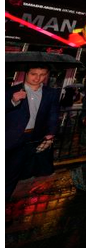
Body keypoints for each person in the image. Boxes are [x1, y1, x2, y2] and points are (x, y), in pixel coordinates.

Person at [6, 65, 60, 200]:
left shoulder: (51, 93)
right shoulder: (11, 90)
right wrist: (13, 101)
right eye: (34, 74)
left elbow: (53, 113)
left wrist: (51, 132)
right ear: (26, 74)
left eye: (42, 74)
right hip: (6, 136)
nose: (38, 78)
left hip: (30, 138)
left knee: (13, 173)